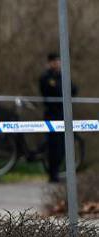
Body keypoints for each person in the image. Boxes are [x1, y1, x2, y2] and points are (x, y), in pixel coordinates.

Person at [39, 52, 77, 183]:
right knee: (53, 146)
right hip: (51, 115)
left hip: (63, 114)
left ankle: (57, 172)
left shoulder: (62, 76)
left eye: (58, 61)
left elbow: (73, 89)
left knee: (62, 146)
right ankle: (52, 174)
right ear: (49, 63)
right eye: (54, 61)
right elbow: (52, 92)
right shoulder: (46, 77)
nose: (57, 64)